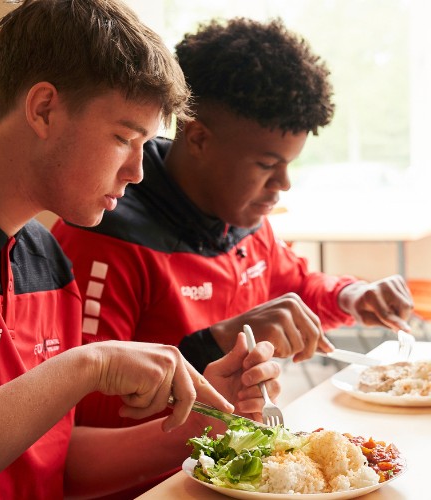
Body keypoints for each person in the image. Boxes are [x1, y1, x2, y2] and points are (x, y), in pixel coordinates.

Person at [0, 2, 282, 498]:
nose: (137, 172)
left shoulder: (48, 260)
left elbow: (51, 460)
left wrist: (206, 421)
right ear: (44, 109)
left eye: (146, 145)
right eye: (124, 138)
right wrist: (89, 366)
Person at [52, 16, 414, 425]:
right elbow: (78, 408)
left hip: (230, 448)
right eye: (267, 164)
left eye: (289, 164)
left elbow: (296, 292)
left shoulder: (241, 217)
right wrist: (216, 344)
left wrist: (353, 296)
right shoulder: (104, 233)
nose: (283, 183)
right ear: (199, 138)